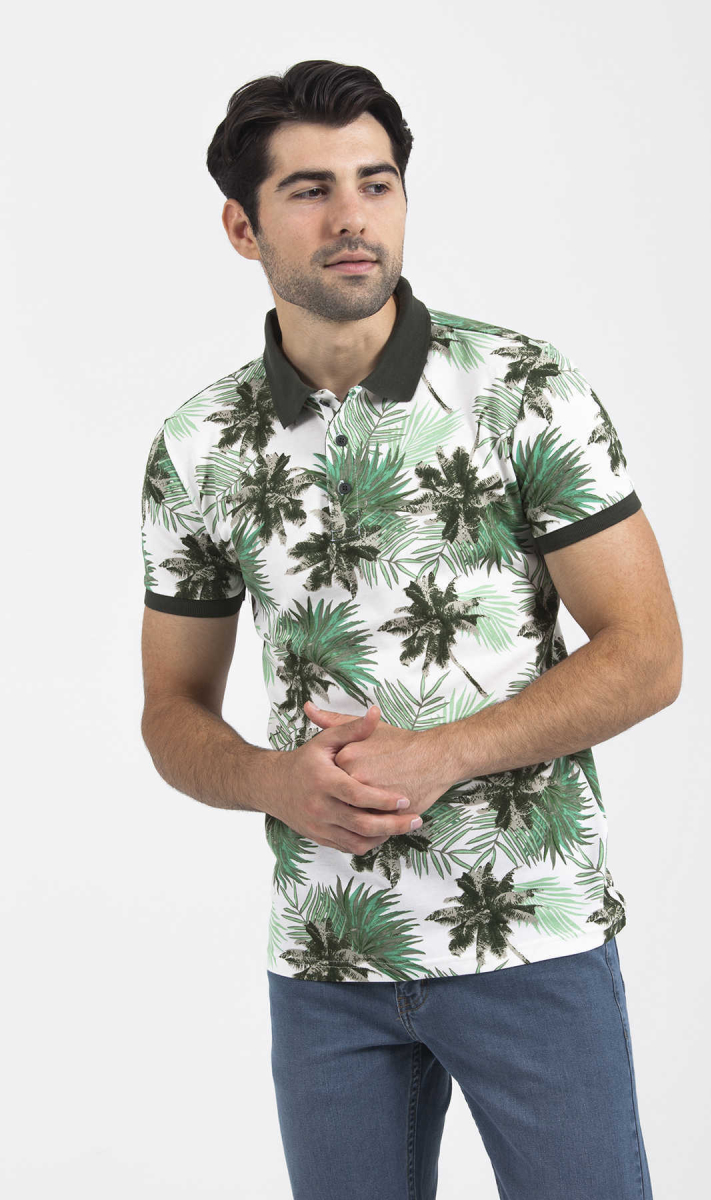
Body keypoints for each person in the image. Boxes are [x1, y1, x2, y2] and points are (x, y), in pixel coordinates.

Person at [140, 58, 681, 1200]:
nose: (352, 216)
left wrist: (442, 754)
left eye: (375, 183)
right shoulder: (200, 444)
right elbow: (170, 712)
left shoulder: (520, 388)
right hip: (324, 957)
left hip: (527, 936)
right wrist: (271, 781)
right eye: (310, 190)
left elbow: (646, 653)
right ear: (241, 227)